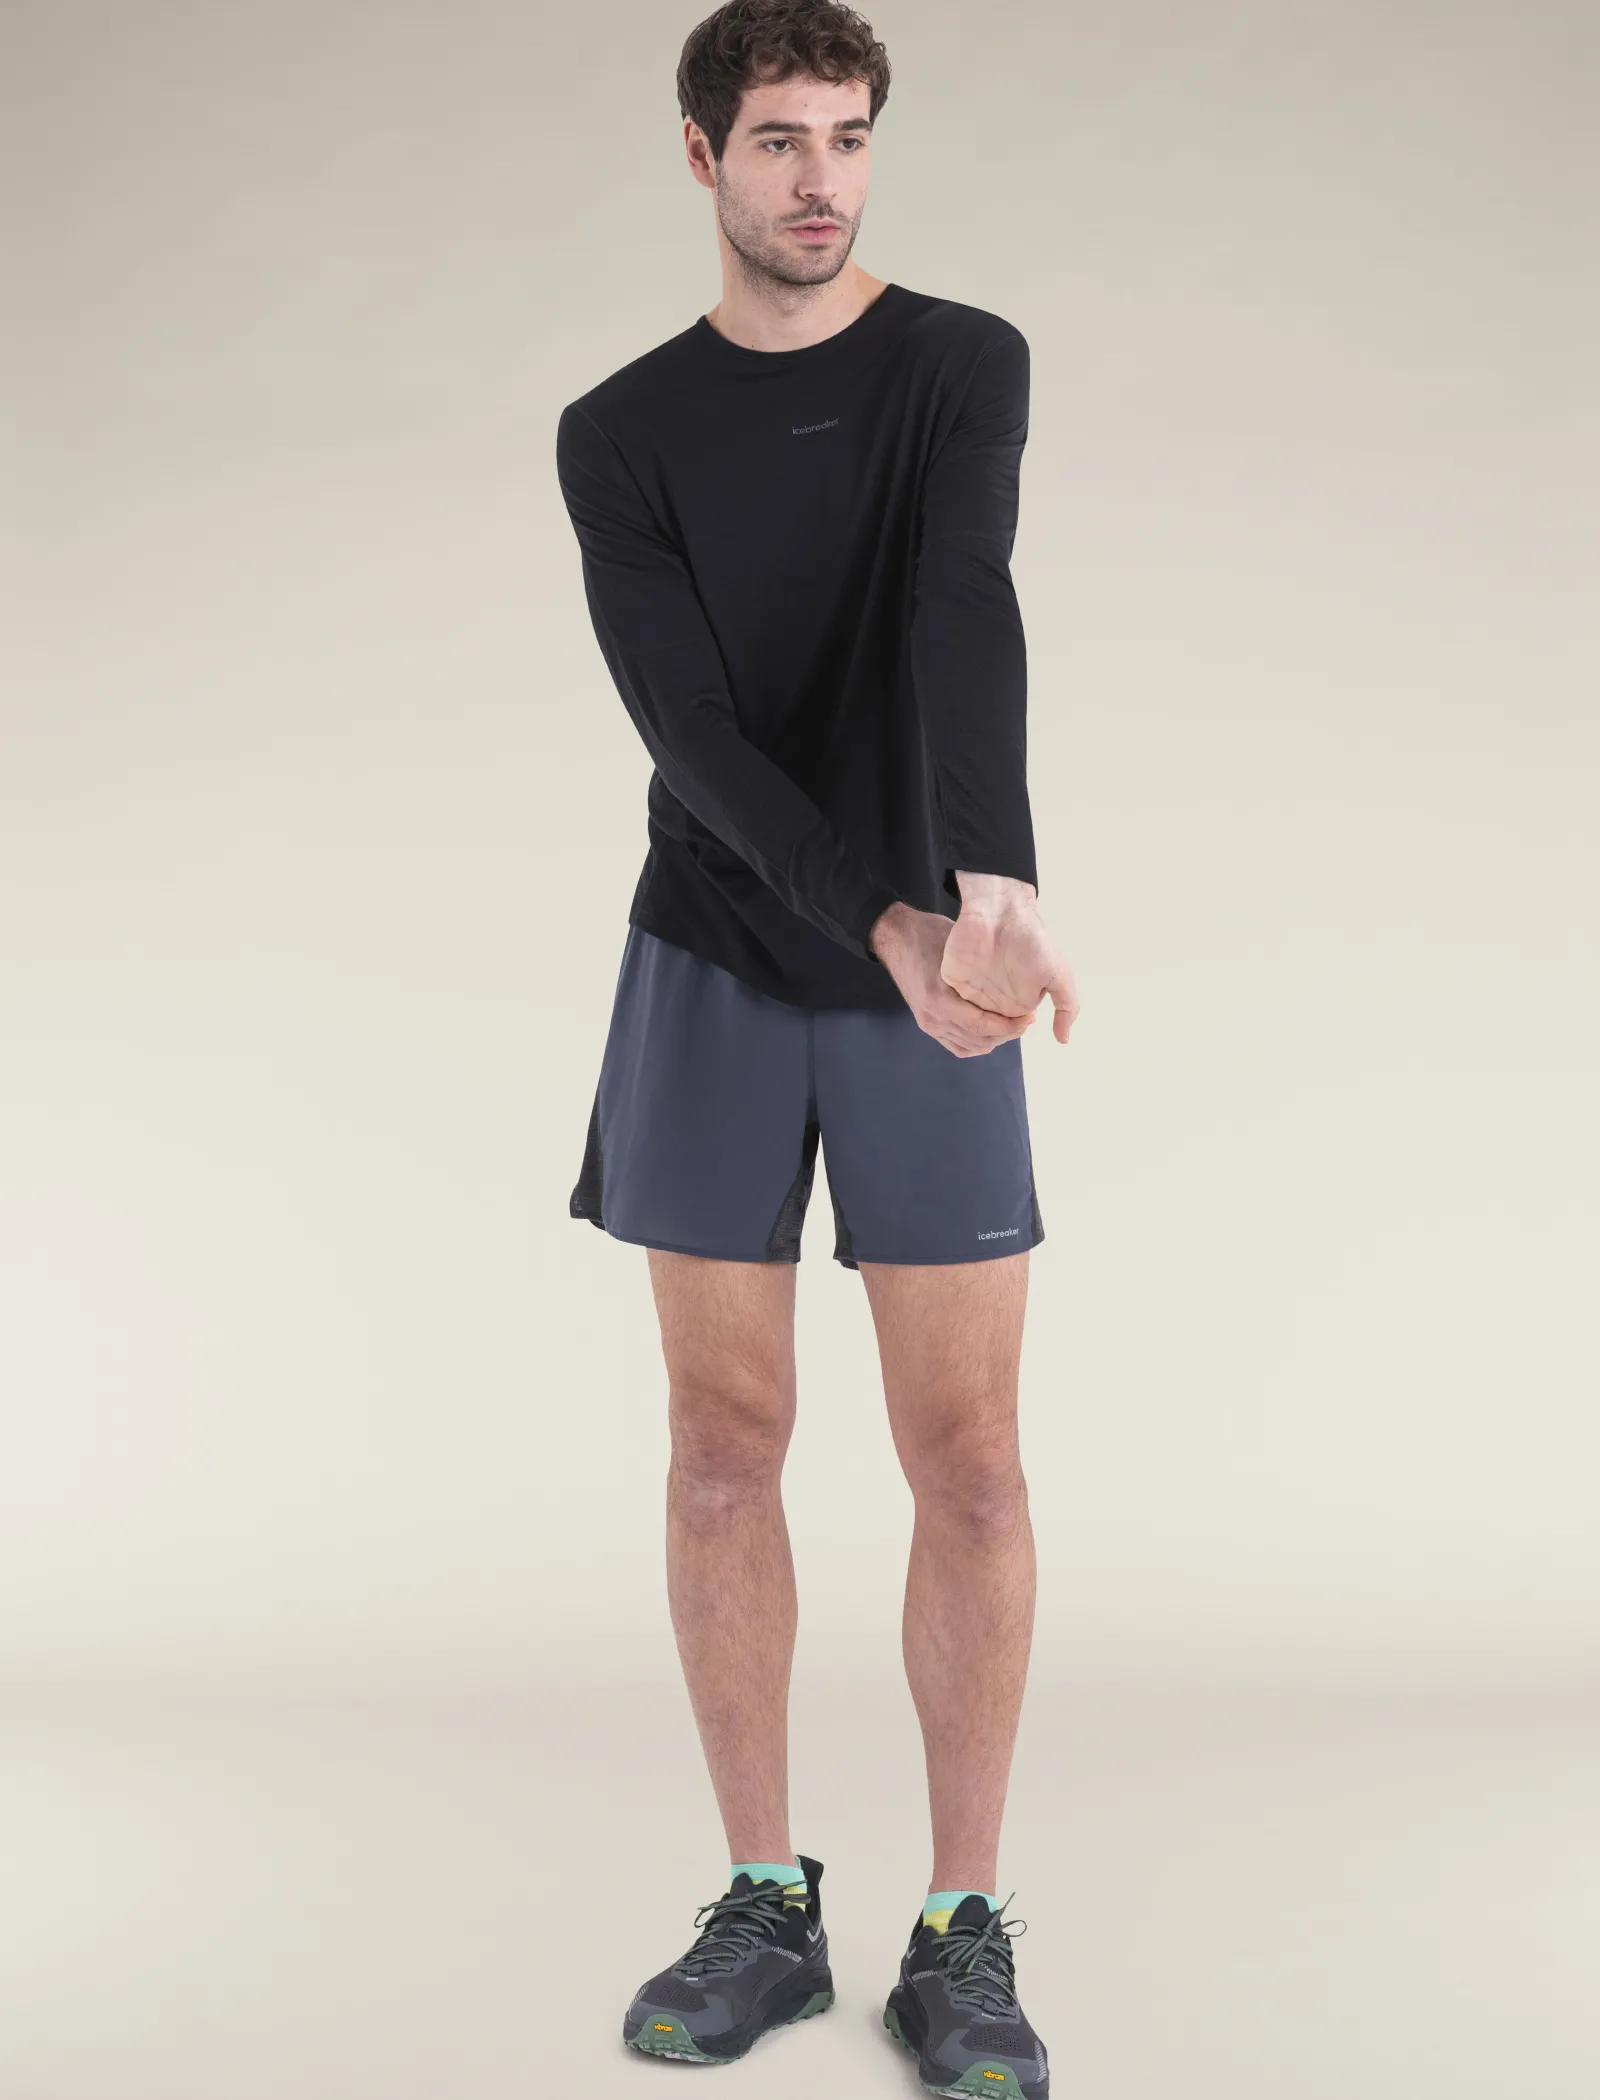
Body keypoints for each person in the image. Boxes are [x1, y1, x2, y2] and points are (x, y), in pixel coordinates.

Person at [554, 3, 1077, 2092]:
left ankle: (961, 1926)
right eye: (778, 138)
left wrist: (990, 886)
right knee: (720, 1447)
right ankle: (764, 1901)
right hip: (715, 952)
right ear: (702, 155)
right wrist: (876, 914)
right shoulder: (619, 430)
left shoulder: (960, 363)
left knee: (970, 1459)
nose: (820, 179)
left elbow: (964, 603)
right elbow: (687, 729)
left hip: (935, 972)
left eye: (848, 136)